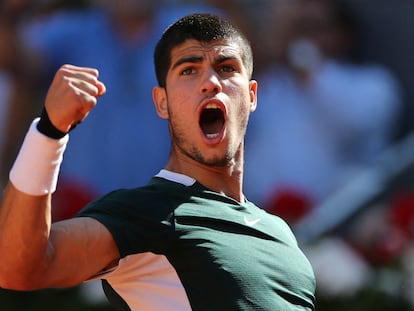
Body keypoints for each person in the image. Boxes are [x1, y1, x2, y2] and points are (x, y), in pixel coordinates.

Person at [0, 13, 315, 310]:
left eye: (226, 67)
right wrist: (48, 132)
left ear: (251, 95)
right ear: (162, 102)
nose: (211, 82)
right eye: (189, 70)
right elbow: (18, 268)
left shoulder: (282, 235)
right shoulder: (145, 212)